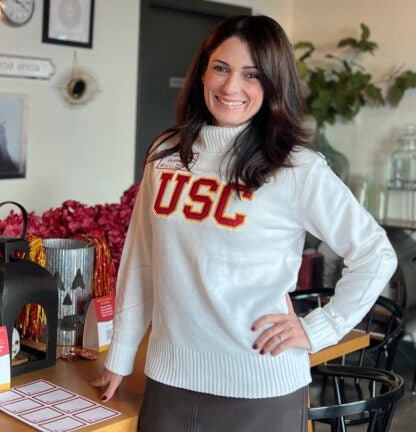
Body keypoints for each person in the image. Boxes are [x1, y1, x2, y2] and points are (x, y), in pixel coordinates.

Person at [89, 15, 397, 432]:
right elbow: (141, 261)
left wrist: (320, 327)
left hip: (260, 388)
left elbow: (375, 253)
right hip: (169, 382)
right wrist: (121, 355)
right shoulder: (166, 155)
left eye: (251, 75)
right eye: (221, 68)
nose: (231, 87)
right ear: (202, 72)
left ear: (273, 84)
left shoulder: (295, 169)